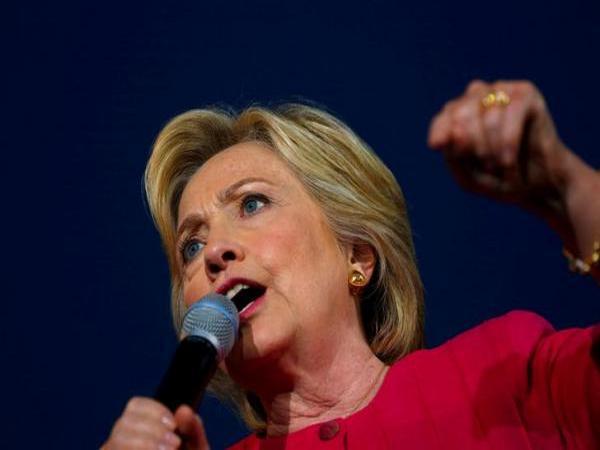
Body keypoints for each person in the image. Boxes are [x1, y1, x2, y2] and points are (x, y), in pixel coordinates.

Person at [103, 80, 599, 449]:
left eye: (252, 204)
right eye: (191, 246)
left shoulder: (502, 376)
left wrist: (569, 188)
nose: (214, 253)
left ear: (357, 255)